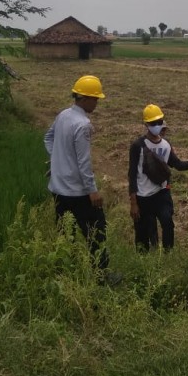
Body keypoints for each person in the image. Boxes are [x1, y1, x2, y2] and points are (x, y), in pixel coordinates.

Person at [44, 75, 122, 285]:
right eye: (95, 99)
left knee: (65, 234)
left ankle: (65, 277)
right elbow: (84, 163)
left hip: (58, 190)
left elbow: (48, 138)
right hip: (78, 193)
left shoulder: (63, 115)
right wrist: (92, 191)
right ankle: (101, 277)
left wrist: (57, 160)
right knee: (97, 232)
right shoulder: (83, 124)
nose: (97, 103)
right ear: (85, 98)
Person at [128, 104, 188, 251]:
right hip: (143, 197)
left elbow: (178, 164)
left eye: (159, 122)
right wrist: (133, 203)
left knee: (168, 223)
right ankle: (144, 260)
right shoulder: (137, 146)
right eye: (153, 123)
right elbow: (132, 174)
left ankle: (168, 255)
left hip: (162, 193)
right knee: (143, 234)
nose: (156, 125)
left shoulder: (166, 144)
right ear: (146, 124)